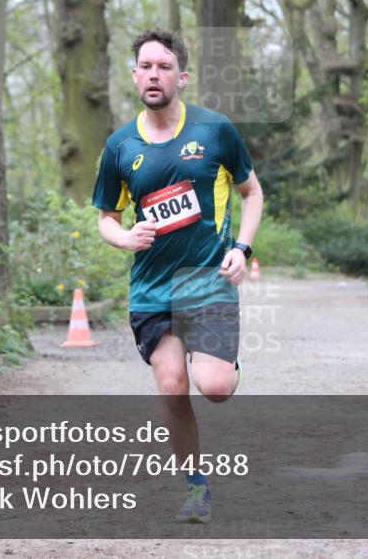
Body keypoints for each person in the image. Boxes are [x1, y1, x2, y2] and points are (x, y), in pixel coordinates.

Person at [92, 28, 263, 524]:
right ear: (133, 75)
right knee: (171, 385)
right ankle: (195, 487)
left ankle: (225, 365)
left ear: (181, 78)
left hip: (206, 280)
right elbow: (106, 216)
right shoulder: (120, 146)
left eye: (164, 67)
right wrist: (122, 237)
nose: (153, 74)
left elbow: (253, 194)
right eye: (145, 66)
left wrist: (242, 248)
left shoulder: (216, 131)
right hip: (151, 286)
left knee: (214, 387)